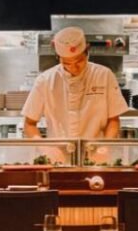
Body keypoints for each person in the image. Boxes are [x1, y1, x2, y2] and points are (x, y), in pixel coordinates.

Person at [22, 27, 128, 160]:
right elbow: (29, 124)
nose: (73, 67)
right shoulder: (45, 80)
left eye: (79, 61)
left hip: (96, 155)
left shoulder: (104, 75)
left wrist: (105, 146)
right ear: (58, 58)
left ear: (87, 51)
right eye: (66, 63)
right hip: (58, 158)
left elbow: (113, 120)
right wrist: (45, 147)